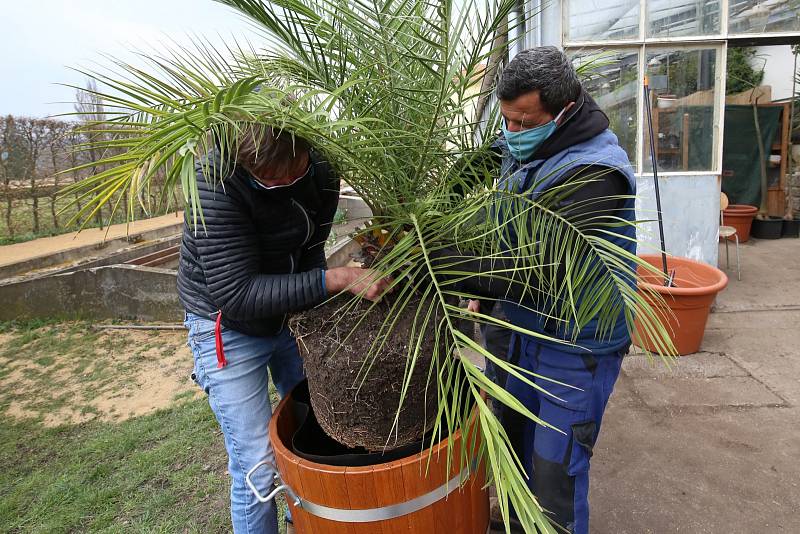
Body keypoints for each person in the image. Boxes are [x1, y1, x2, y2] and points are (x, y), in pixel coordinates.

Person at [442, 47, 637, 534]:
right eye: (506, 122)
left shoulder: (596, 174)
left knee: (553, 471)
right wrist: (428, 208)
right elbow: (477, 167)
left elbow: (533, 269)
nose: (511, 134)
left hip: (573, 344)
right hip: (517, 325)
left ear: (564, 109)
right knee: (508, 449)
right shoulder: (523, 135)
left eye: (523, 123)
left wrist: (434, 263)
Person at [178, 125, 391, 534]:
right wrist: (336, 279)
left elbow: (311, 245)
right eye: (267, 177)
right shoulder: (213, 183)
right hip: (227, 326)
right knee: (256, 465)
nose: (280, 183)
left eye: (289, 172)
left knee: (319, 423)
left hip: (289, 314)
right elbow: (236, 293)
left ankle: (306, 523)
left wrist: (312, 305)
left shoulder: (323, 171)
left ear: (305, 150)